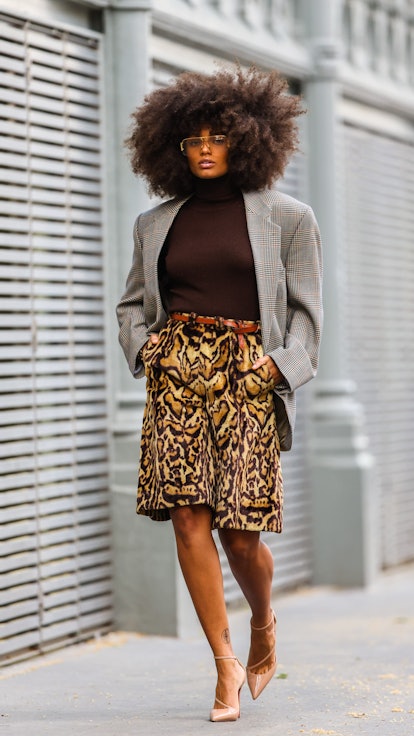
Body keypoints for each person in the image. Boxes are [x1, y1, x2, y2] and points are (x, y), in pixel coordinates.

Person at [117, 66, 323, 722]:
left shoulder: (287, 218)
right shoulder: (155, 223)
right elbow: (130, 305)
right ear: (173, 149)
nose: (204, 148)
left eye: (218, 136)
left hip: (246, 374)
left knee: (240, 534)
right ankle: (226, 664)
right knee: (187, 517)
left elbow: (307, 314)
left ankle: (263, 623)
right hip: (177, 373)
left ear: (246, 139)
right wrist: (146, 346)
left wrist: (276, 367)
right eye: (192, 140)